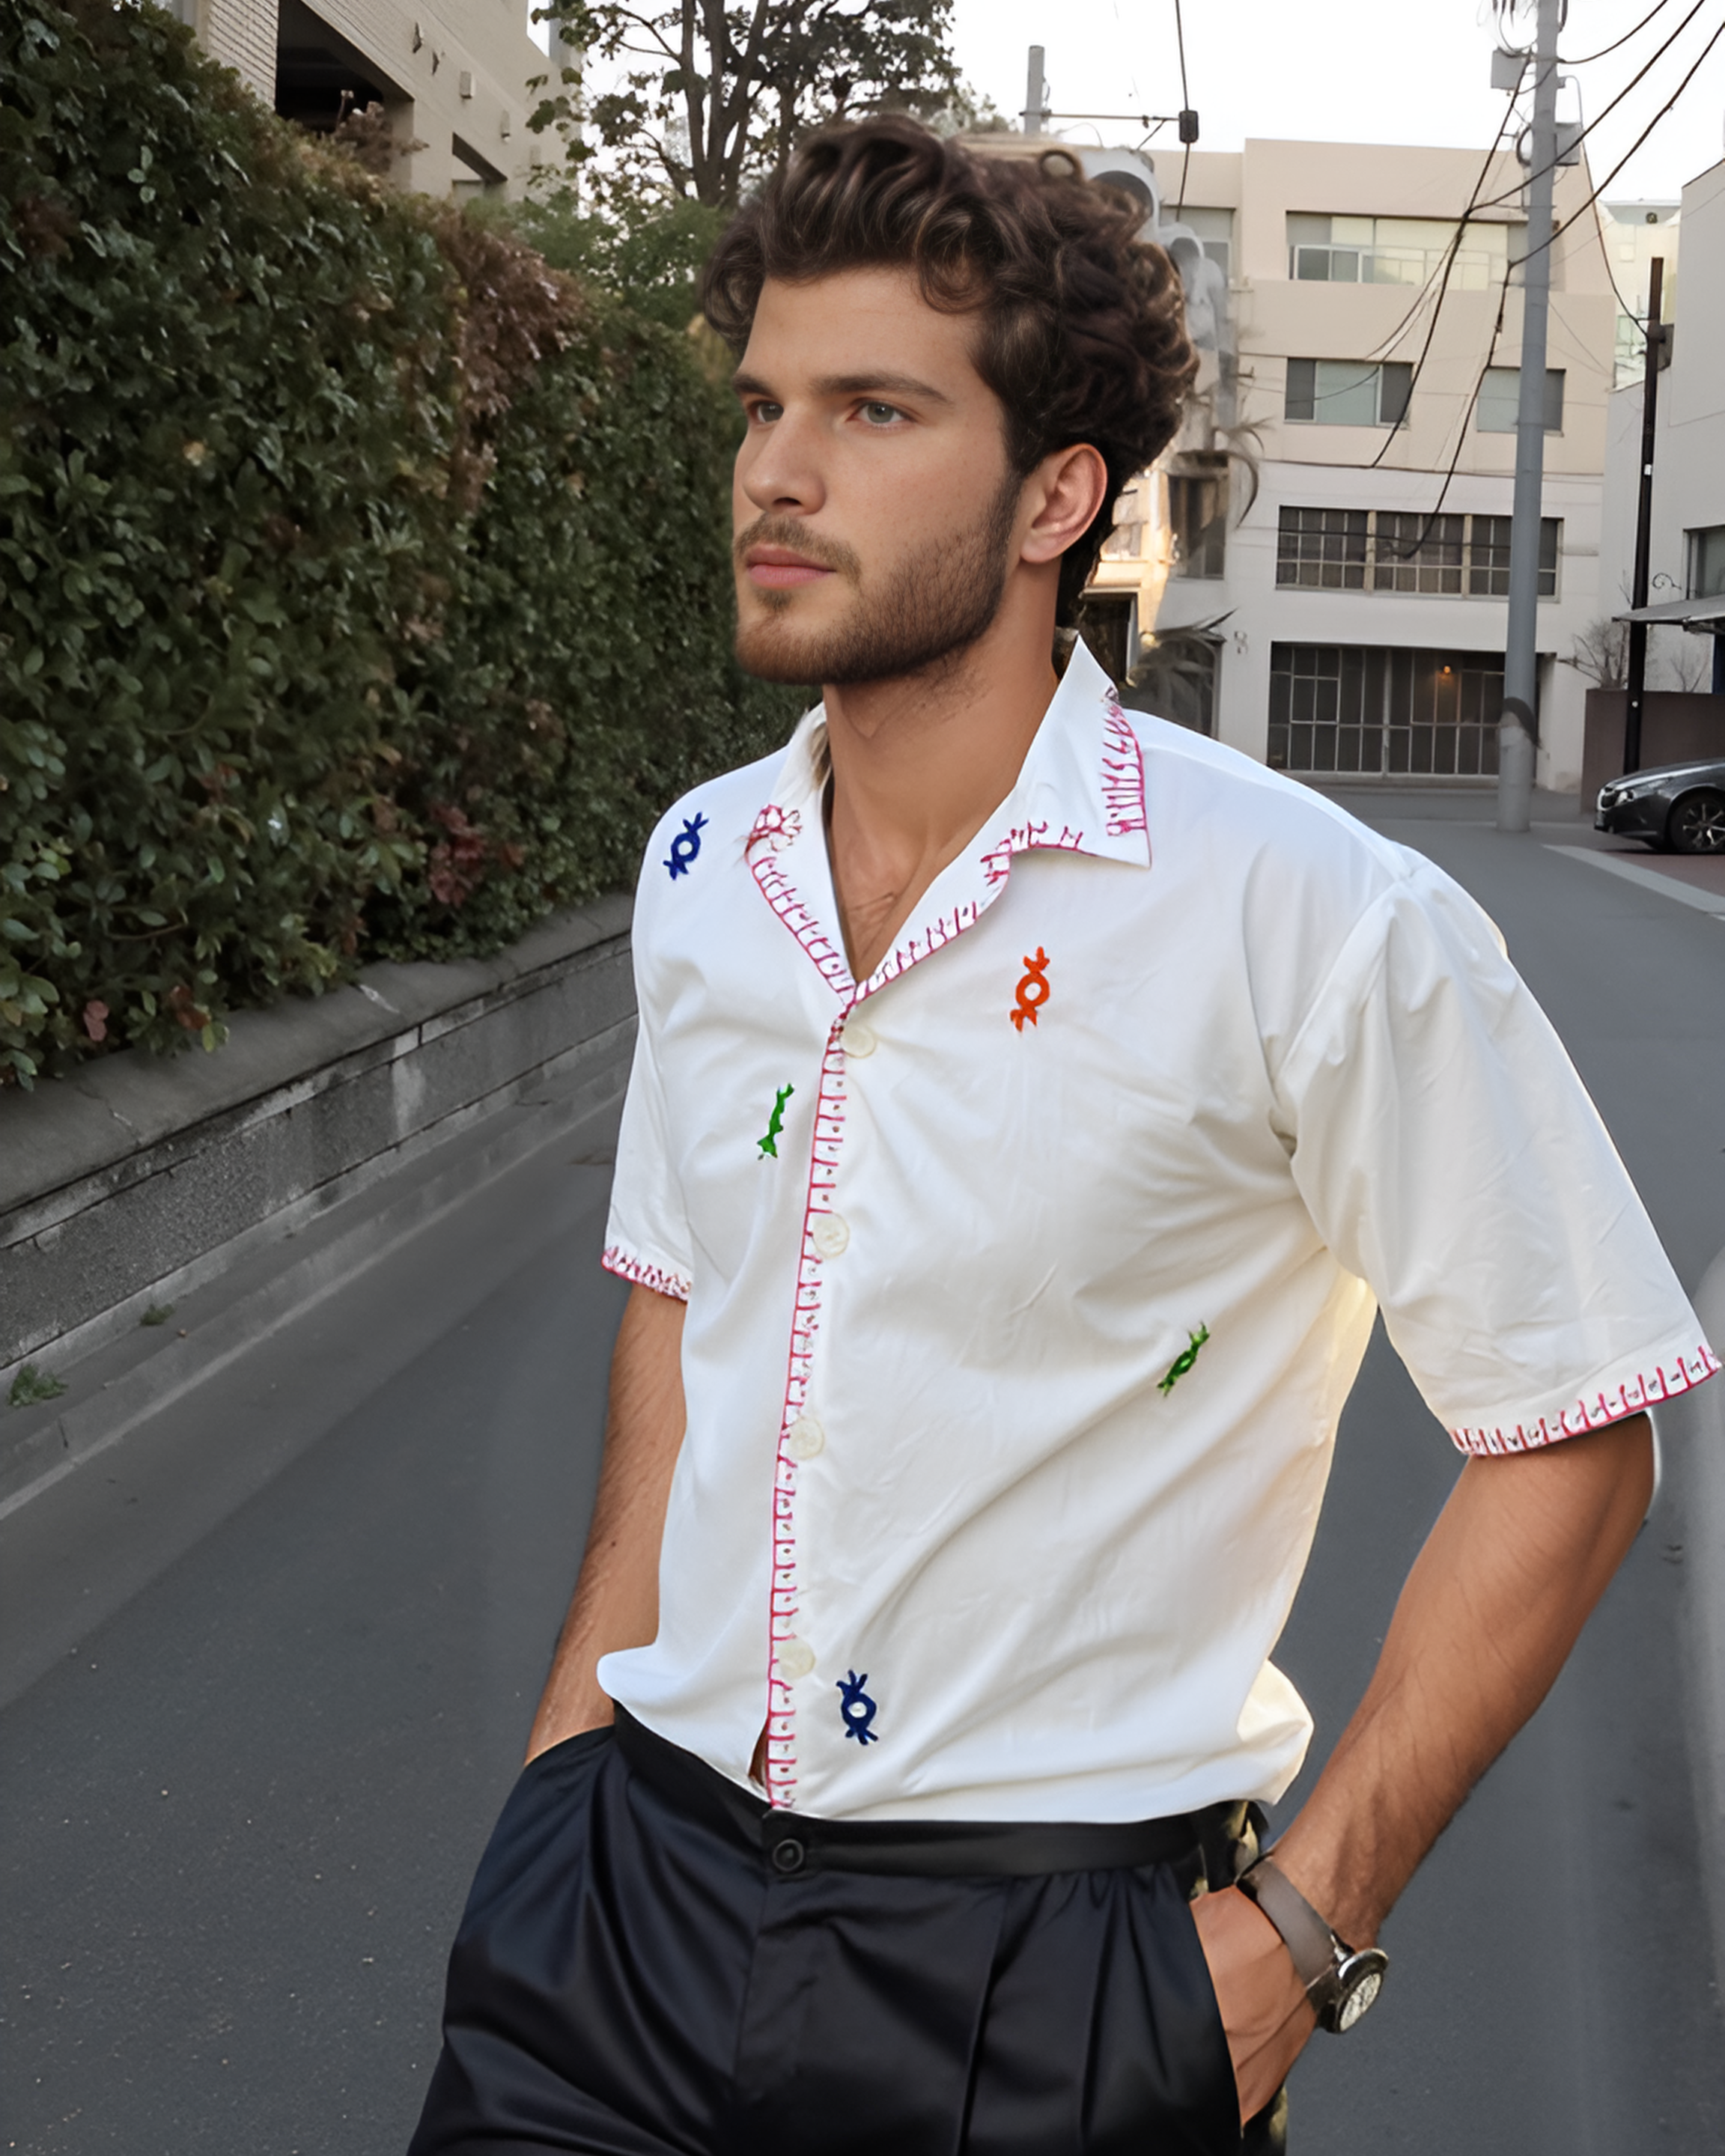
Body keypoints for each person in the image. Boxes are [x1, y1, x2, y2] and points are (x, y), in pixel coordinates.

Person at [407, 120, 1717, 2155]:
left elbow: (1575, 1423)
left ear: (1058, 494)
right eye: (764, 403)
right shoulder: (701, 865)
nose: (778, 466)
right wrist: (575, 1734)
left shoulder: (1309, 915)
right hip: (615, 1919)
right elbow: (684, 1304)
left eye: (873, 409)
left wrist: (1301, 1932)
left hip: (1048, 1971)